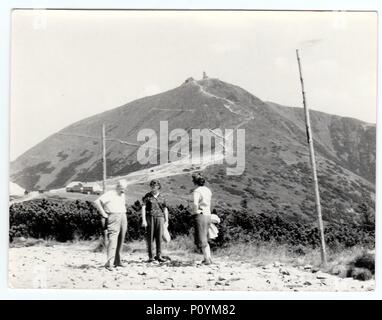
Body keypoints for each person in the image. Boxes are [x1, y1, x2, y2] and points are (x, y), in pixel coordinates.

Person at [94, 179, 128, 271]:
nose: (123, 191)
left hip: (123, 216)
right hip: (113, 216)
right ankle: (109, 262)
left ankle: (118, 261)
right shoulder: (110, 193)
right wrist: (103, 213)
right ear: (117, 186)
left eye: (124, 189)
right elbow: (97, 202)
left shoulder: (122, 194)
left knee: (121, 239)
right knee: (113, 239)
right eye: (121, 188)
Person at [141, 179, 168, 263]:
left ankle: (159, 255)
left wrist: (167, 220)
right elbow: (143, 207)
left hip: (160, 218)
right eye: (152, 185)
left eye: (155, 185)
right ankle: (150, 256)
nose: (153, 187)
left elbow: (165, 208)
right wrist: (144, 220)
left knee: (159, 237)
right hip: (150, 217)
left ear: (158, 186)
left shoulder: (162, 196)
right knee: (150, 237)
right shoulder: (147, 196)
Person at [191, 172, 213, 265]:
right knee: (205, 238)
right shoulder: (208, 190)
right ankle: (208, 258)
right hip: (208, 214)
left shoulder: (197, 191)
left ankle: (207, 260)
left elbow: (195, 203)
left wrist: (195, 211)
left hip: (201, 214)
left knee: (202, 238)